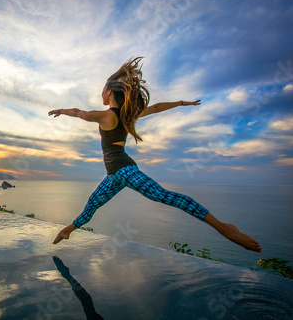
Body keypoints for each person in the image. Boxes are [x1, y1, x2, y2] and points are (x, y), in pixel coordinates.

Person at [48, 57, 262, 253]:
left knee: (163, 195)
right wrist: (180, 103)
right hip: (114, 174)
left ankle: (224, 227)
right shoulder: (127, 114)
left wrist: (62, 110)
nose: (101, 93)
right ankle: (68, 230)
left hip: (125, 170)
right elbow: (157, 107)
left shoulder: (107, 116)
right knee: (92, 204)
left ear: (110, 92)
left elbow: (80, 113)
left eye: (103, 90)